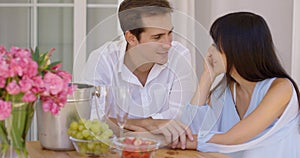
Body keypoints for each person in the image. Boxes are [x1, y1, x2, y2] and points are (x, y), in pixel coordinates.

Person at [131, 11, 300, 157]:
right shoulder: (225, 91)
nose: (210, 52)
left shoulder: (281, 89)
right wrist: (207, 76)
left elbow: (233, 138)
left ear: (238, 49)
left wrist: (162, 140)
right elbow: (191, 127)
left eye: (216, 45)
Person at [80, 0, 196, 139]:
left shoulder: (180, 56)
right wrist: (148, 124)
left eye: (170, 33)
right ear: (131, 38)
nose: (168, 44)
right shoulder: (102, 60)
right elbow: (92, 120)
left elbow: (180, 118)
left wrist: (123, 125)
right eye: (157, 37)